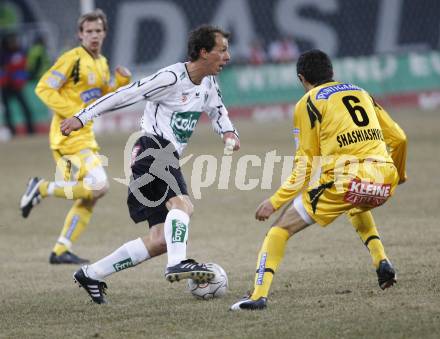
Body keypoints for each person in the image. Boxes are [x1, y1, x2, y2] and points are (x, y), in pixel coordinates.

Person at [58, 25, 239, 304]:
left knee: (159, 240)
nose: (227, 56)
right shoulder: (169, 77)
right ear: (204, 52)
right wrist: (82, 117)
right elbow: (124, 95)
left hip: (161, 156)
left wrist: (228, 131)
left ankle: (91, 273)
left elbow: (217, 110)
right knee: (183, 206)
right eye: (222, 50)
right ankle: (178, 263)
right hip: (153, 148)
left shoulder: (209, 82)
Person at [230, 49, 407, 311]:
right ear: (331, 72)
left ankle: (258, 296)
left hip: (346, 179)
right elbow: (400, 138)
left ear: (302, 78)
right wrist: (399, 176)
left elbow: (305, 165)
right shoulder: (361, 92)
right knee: (354, 204)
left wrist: (275, 201)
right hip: (384, 179)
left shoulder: (308, 102)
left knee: (279, 229)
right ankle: (381, 261)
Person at [19, 9, 132, 264]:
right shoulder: (72, 59)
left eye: (98, 31)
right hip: (67, 137)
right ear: (80, 34)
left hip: (86, 138)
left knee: (90, 195)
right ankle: (42, 188)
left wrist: (120, 84)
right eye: (89, 31)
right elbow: (44, 87)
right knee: (100, 186)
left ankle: (60, 249)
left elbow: (103, 99)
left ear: (104, 34)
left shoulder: (101, 63)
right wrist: (74, 114)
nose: (94, 36)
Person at [0, 33, 35, 135]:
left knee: (25, 107)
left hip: (17, 85)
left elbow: (24, 67)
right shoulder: (2, 54)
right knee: (8, 110)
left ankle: (30, 129)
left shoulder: (20, 52)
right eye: (11, 41)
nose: (14, 43)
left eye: (14, 41)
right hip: (6, 86)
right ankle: (11, 131)